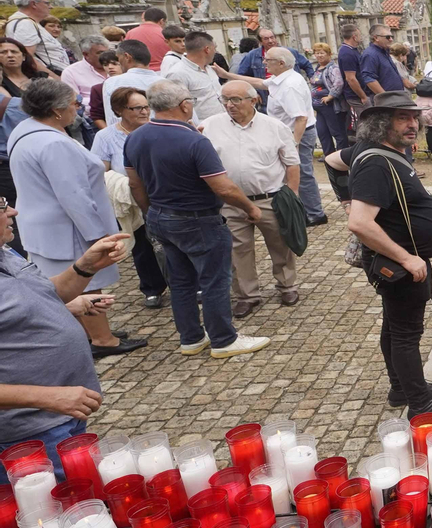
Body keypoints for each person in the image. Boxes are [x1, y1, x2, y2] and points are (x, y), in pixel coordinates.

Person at [326, 92, 432, 417]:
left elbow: (331, 160)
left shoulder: (384, 154)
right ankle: (421, 404)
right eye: (402, 118)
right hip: (400, 265)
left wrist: (347, 196)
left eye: (414, 117)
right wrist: (406, 258)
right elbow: (359, 223)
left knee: (393, 326)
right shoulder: (376, 163)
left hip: (404, 259)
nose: (412, 124)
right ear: (380, 123)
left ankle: (402, 388)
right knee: (405, 334)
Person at [124, 80, 271, 359]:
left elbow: (135, 183)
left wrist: (151, 210)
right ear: (184, 105)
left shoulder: (136, 136)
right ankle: (224, 339)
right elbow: (223, 187)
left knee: (180, 281)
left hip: (159, 216)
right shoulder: (194, 141)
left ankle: (191, 337)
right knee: (215, 280)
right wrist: (250, 209)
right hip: (198, 219)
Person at [7, 78, 144, 358]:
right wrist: (98, 237)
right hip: (66, 226)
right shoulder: (53, 143)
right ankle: (102, 340)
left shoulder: (27, 129)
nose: (78, 108)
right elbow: (74, 195)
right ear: (57, 110)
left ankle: (90, 330)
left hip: (42, 222)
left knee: (71, 280)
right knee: (85, 279)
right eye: (74, 103)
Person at [0, 199, 129, 470]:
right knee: (64, 506)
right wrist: (50, 397)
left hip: (63, 414)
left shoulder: (5, 251)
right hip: (30, 433)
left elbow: (42, 292)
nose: (13, 211)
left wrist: (86, 267)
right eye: (1, 207)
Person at [203, 80, 302, 316]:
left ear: (253, 99)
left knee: (280, 244)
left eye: (235, 99)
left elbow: (292, 163)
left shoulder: (274, 126)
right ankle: (247, 295)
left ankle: (287, 285)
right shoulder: (208, 126)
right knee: (237, 250)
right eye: (225, 100)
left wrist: (292, 196)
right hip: (230, 201)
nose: (229, 105)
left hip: (270, 198)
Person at [90, 86, 167, 307]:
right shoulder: (105, 137)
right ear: (120, 110)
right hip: (129, 199)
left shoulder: (156, 129)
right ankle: (152, 288)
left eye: (146, 107)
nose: (144, 112)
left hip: (160, 194)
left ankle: (186, 283)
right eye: (137, 108)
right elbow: (99, 171)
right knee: (142, 245)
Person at [262, 48, 327, 228]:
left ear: (281, 63)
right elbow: (261, 83)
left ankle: (315, 213)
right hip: (290, 132)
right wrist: (227, 75)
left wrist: (294, 143)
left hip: (298, 133)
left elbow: (301, 117)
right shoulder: (282, 78)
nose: (264, 63)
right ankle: (307, 209)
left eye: (268, 60)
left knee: (303, 172)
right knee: (294, 171)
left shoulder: (289, 85)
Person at [161, 30, 228, 121]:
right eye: (214, 48)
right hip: (202, 127)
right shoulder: (178, 73)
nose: (215, 52)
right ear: (207, 50)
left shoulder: (210, 69)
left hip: (223, 121)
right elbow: (175, 107)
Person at [4, 0, 66, 75]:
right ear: (33, 4)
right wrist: (57, 79)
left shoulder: (28, 22)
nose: (51, 7)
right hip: (49, 79)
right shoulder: (25, 24)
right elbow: (28, 60)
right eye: (47, 3)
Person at [357, 26, 406, 101]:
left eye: (391, 36)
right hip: (386, 102)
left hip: (396, 98)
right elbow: (369, 79)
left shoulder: (384, 51)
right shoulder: (370, 55)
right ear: (376, 38)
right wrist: (386, 98)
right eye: (388, 37)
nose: (391, 39)